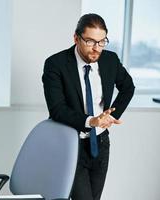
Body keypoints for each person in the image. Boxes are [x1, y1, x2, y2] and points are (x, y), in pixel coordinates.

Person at [42, 13, 135, 200]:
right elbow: (57, 110)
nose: (96, 48)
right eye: (90, 41)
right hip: (70, 145)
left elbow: (128, 87)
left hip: (101, 144)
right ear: (76, 38)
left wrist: (111, 115)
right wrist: (91, 121)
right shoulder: (55, 64)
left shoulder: (110, 60)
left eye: (102, 42)